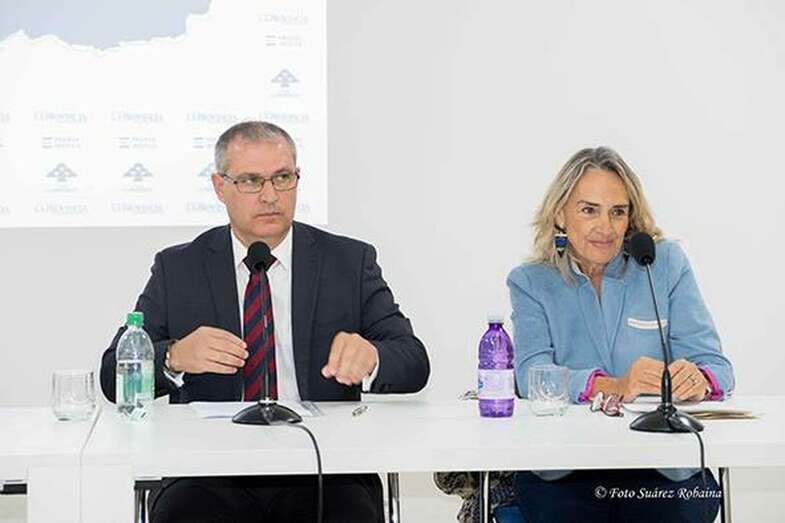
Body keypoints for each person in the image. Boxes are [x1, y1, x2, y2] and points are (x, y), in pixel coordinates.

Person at [99, 121, 430, 523]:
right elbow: (111, 372)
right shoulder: (179, 267)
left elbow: (414, 360)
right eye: (252, 181)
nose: (271, 195)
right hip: (209, 471)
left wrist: (372, 357)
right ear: (220, 187)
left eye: (283, 178)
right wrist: (174, 357)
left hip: (323, 468)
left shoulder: (348, 261)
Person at [507, 146, 734, 523]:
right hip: (566, 471)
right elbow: (531, 377)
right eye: (588, 210)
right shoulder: (531, 282)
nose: (605, 227)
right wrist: (616, 384)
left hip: (662, 469)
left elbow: (718, 368)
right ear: (560, 214)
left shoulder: (662, 264)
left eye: (618, 212)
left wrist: (700, 379)